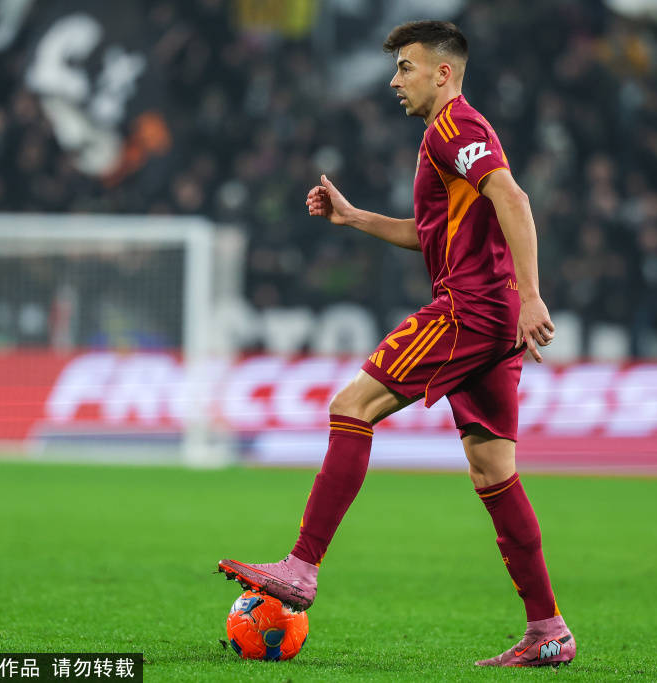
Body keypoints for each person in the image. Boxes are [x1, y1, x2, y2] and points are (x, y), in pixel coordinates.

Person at [218, 20, 576, 668]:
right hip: (493, 320)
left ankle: (301, 568)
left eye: (405, 67)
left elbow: (514, 199)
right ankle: (547, 627)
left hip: (469, 310)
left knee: (351, 406)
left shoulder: (453, 127)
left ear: (443, 72)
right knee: (494, 471)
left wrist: (533, 295)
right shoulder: (453, 136)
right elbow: (430, 233)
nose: (394, 80)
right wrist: (355, 217)